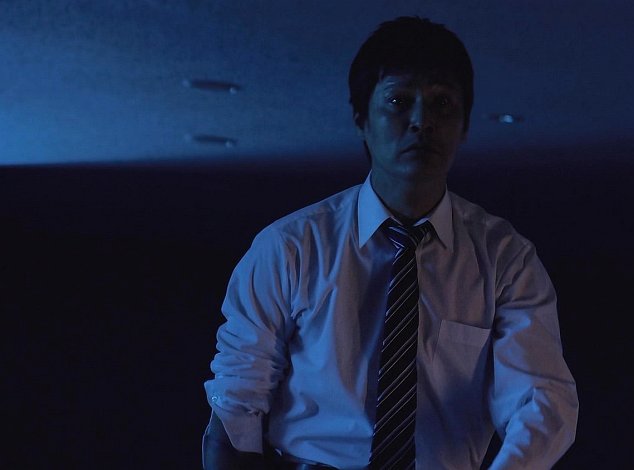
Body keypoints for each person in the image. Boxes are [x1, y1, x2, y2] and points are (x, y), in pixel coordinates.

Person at [203, 16, 578, 470]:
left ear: (464, 126)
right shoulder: (291, 248)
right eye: (399, 101)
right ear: (362, 119)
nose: (422, 121)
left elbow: (541, 399)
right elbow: (236, 406)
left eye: (442, 104)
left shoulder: (504, 258)